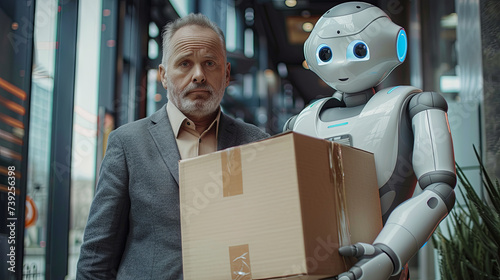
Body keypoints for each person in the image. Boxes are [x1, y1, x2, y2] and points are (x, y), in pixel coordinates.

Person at [76, 13, 269, 279]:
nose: (198, 75)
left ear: (226, 74)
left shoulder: (257, 143)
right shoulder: (127, 144)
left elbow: (271, 236)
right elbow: (97, 257)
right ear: (164, 76)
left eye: (210, 63)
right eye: (185, 63)